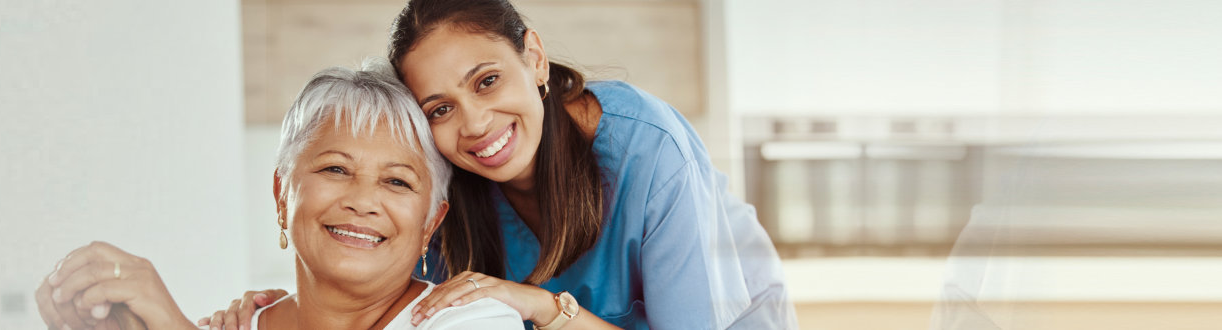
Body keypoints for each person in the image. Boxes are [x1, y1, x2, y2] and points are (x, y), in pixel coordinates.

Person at [204, 0, 797, 329]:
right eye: (441, 107)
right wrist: (292, 315)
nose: (476, 124)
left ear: (533, 58)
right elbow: (391, 300)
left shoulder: (648, 149)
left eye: (487, 81)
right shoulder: (447, 189)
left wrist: (545, 308)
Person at [35, 64, 523, 330]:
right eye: (335, 168)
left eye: (397, 181)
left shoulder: (475, 321)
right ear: (280, 195)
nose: (362, 200)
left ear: (431, 224)